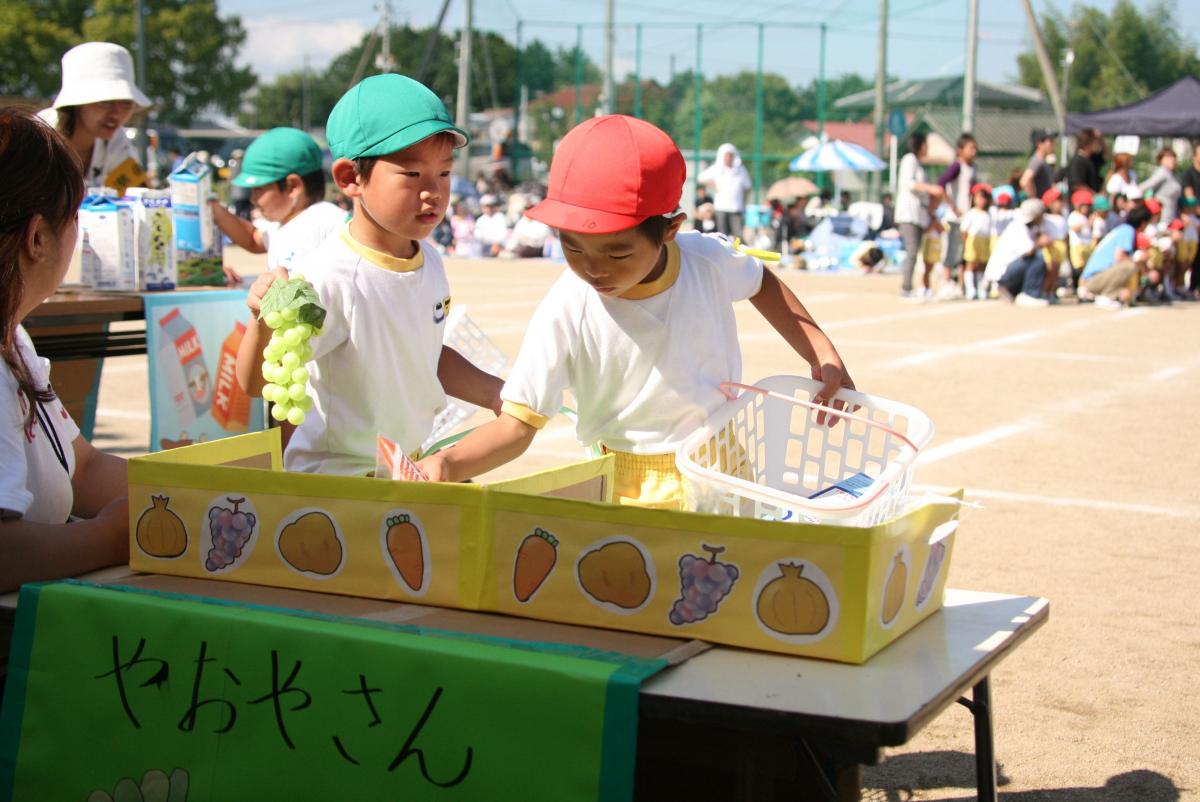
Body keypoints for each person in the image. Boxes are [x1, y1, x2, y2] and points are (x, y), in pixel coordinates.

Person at [417, 115, 854, 509]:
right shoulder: (568, 306)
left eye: (617, 252)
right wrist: (447, 465)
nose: (593, 267)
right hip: (625, 485)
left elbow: (761, 282)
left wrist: (820, 349)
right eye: (572, 247)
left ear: (670, 229)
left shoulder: (705, 261)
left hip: (720, 467)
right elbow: (518, 421)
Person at [233, 74, 503, 475]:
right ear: (350, 179)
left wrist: (497, 394)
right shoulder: (326, 277)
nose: (433, 192)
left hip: (399, 470)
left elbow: (422, 356)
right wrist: (263, 324)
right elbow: (258, 385)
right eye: (412, 175)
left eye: (443, 174)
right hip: (336, 483)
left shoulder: (429, 259)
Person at [0, 107, 130, 595]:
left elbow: (83, 467)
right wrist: (109, 537)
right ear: (37, 237)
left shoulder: (14, 337)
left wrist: (192, 484)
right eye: (74, 217)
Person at [209, 128, 345, 274]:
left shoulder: (329, 222)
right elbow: (253, 239)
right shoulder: (285, 223)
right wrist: (216, 211)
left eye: (258, 189)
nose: (253, 199)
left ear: (293, 186)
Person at [37, 42, 151, 195]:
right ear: (77, 103)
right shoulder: (37, 139)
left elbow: (137, 195)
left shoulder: (116, 140)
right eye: (104, 102)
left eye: (125, 103)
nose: (116, 113)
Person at [895, 132, 945, 297]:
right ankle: (906, 287)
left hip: (919, 214)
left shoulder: (918, 164)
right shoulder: (910, 159)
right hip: (909, 214)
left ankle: (912, 286)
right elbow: (909, 183)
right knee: (912, 251)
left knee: (916, 252)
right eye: (926, 145)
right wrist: (930, 188)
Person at [1080, 205, 1153, 308]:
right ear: (1143, 223)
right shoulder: (1127, 231)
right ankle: (1107, 296)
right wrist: (1138, 260)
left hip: (1097, 278)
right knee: (1130, 265)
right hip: (1093, 280)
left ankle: (1110, 295)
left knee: (1126, 294)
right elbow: (1119, 257)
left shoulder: (1123, 229)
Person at [983, 199, 1051, 307]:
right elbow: (1027, 252)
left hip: (1008, 273)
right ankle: (1029, 294)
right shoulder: (1019, 227)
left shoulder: (1029, 228)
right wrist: (1040, 243)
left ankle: (1017, 292)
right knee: (1037, 257)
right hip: (1002, 275)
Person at [937, 133, 978, 283]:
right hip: (955, 218)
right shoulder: (957, 166)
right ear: (960, 149)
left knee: (964, 251)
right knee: (951, 249)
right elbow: (941, 183)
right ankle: (946, 280)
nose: (974, 152)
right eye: (970, 148)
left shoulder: (972, 167)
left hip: (968, 217)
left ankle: (961, 283)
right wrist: (952, 206)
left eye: (975, 148)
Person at [697, 143, 753, 238]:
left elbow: (748, 186)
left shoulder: (741, 170)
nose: (729, 158)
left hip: (736, 207)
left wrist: (744, 202)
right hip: (721, 207)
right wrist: (713, 184)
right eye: (726, 155)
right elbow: (701, 178)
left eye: (731, 155)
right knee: (722, 235)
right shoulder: (717, 169)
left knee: (738, 235)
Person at [959, 184, 993, 300]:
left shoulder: (988, 214)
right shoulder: (972, 213)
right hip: (973, 241)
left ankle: (981, 288)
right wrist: (967, 241)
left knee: (981, 265)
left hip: (985, 242)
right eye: (979, 197)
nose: (982, 200)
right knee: (971, 264)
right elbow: (964, 230)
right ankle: (970, 289)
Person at [1138, 147, 1182, 223]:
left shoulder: (1172, 175)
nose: (1172, 160)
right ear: (1161, 160)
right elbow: (1145, 187)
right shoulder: (1162, 172)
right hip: (1162, 219)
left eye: (1173, 157)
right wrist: (1149, 201)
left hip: (1172, 217)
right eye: (1168, 157)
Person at [1040, 188, 1068, 301]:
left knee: (1056, 273)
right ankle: (1044, 293)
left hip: (1060, 247)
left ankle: (1052, 292)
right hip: (1050, 247)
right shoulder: (1046, 218)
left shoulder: (1063, 217)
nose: (1060, 204)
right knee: (1050, 271)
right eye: (1057, 201)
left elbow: (1065, 234)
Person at [1067, 189, 1096, 293]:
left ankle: (1085, 289)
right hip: (1078, 247)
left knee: (1087, 269)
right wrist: (1087, 223)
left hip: (1087, 246)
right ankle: (1079, 289)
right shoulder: (1074, 216)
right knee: (1079, 270)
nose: (1087, 208)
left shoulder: (1084, 217)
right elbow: (1075, 229)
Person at [1066, 128, 1105, 196]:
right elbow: (1077, 184)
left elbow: (1107, 156)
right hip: (1081, 203)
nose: (1097, 144)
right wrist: (1094, 194)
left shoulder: (1091, 159)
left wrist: (1100, 139)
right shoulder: (1078, 161)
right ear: (1089, 143)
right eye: (1095, 141)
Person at [1020, 129, 1056, 201]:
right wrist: (1035, 201)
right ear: (1039, 144)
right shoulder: (1037, 161)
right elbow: (1025, 181)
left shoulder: (1043, 161)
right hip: (1039, 205)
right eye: (1050, 141)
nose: (1054, 144)